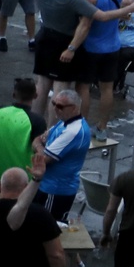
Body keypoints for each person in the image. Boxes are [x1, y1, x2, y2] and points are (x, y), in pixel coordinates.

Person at [30, 88, 92, 221]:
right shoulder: (64, 122)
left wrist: (39, 146)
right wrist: (40, 145)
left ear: (74, 108)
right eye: (53, 104)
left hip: (55, 190)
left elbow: (42, 159)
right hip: (47, 185)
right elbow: (36, 140)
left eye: (60, 106)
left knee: (45, 227)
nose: (55, 109)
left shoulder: (73, 131)